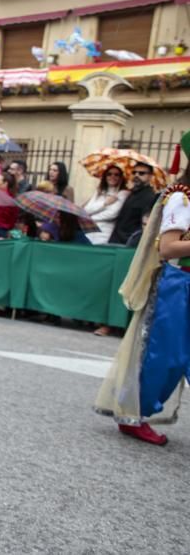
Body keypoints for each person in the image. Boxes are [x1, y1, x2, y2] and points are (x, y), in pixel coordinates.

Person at [94, 130, 190, 446]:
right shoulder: (181, 197)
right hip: (176, 284)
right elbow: (169, 248)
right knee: (164, 356)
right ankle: (131, 413)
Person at [108, 162, 158, 245]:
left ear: (150, 176)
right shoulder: (131, 192)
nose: (137, 175)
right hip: (116, 240)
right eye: (134, 172)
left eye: (141, 173)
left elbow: (145, 224)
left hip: (128, 243)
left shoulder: (149, 197)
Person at [83, 166, 129, 245]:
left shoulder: (123, 193)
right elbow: (86, 210)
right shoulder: (99, 191)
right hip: (88, 231)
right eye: (109, 174)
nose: (112, 176)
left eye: (116, 174)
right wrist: (105, 203)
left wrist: (90, 218)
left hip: (104, 233)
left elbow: (112, 214)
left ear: (121, 177)